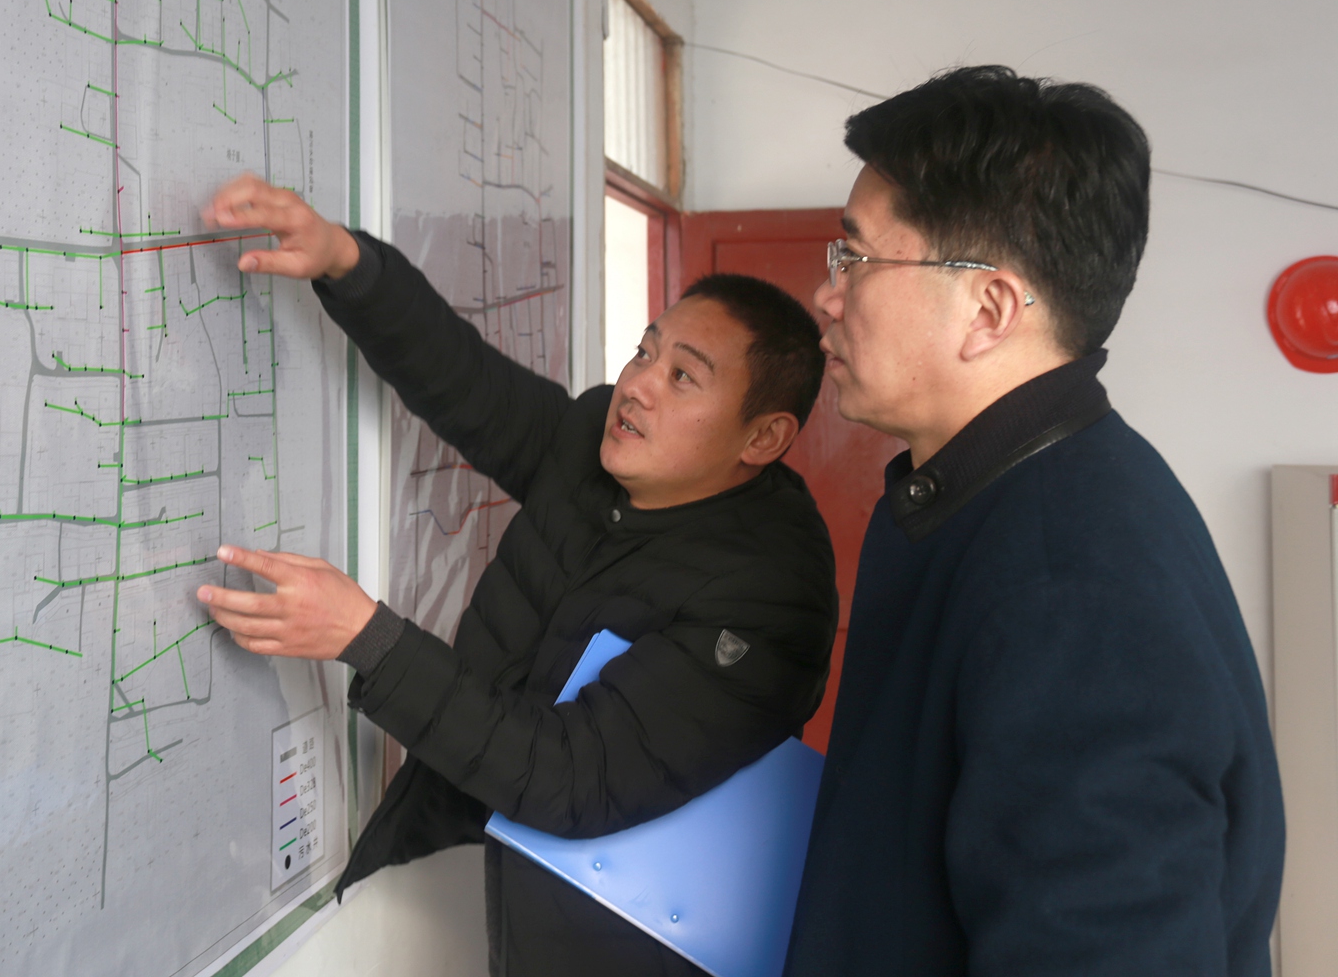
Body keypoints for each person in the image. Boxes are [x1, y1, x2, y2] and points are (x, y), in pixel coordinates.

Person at [194, 174, 838, 976]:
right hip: (486, 882)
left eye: (683, 377)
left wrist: (368, 637)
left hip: (626, 947)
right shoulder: (596, 443)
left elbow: (575, 777)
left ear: (762, 438)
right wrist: (345, 261)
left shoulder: (769, 596)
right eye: (646, 350)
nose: (638, 384)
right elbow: (469, 385)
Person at [784, 66, 1285, 975]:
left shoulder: (1074, 588)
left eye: (856, 258)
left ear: (989, 310)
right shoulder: (1015, 488)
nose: (828, 292)